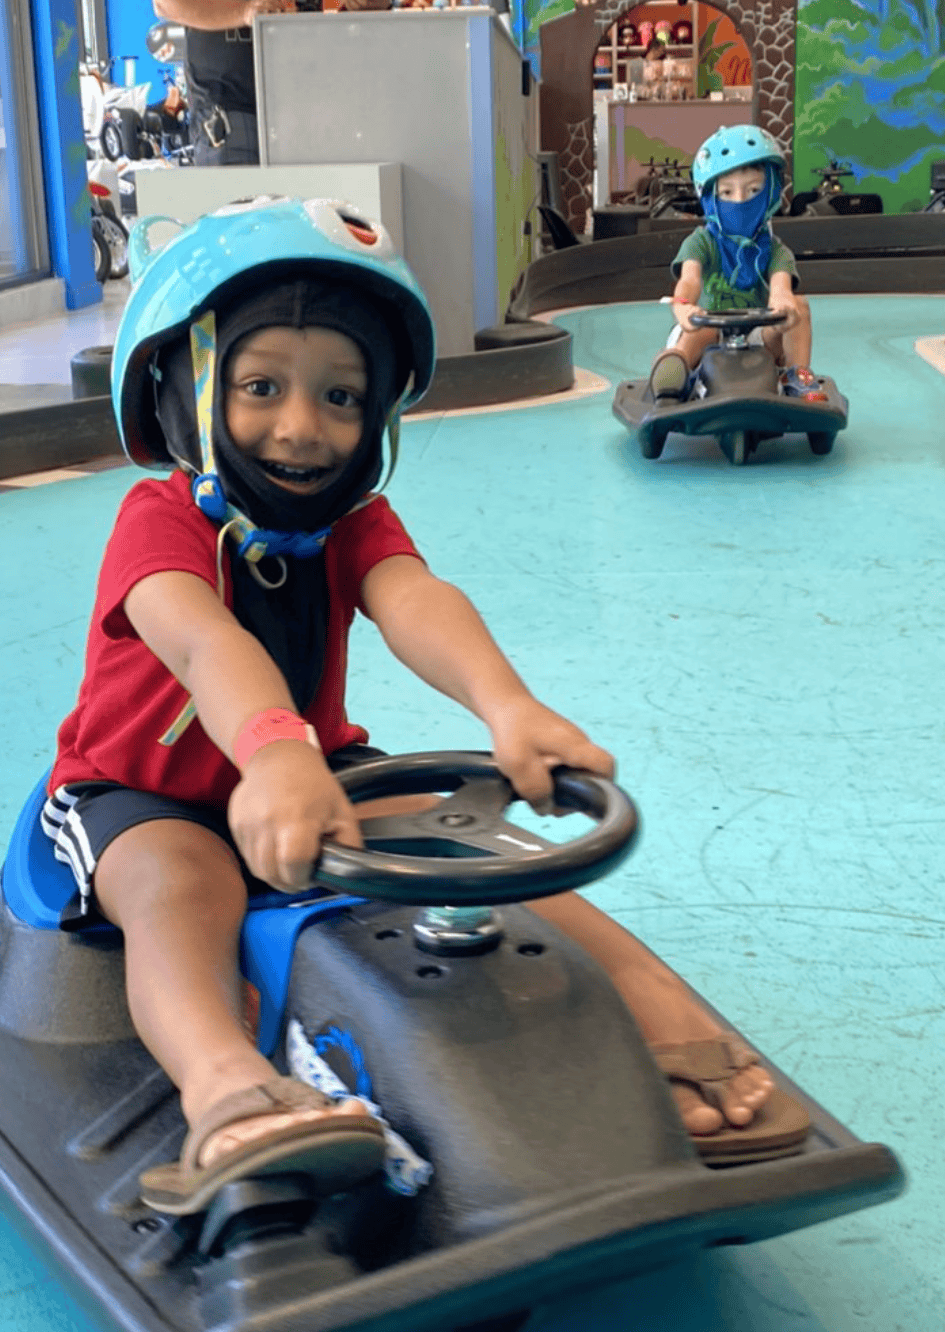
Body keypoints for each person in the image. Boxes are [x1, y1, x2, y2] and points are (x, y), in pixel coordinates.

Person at [42, 196, 806, 1216]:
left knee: (471, 845)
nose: (303, 429)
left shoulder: (352, 520)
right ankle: (225, 1086)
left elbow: (416, 601)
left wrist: (508, 706)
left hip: (316, 768)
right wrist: (273, 748)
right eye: (261, 386)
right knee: (177, 890)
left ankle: (653, 1002)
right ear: (185, 389)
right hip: (141, 791)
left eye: (342, 397)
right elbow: (201, 641)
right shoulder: (157, 523)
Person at [649, 125, 829, 404]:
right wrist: (684, 304)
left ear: (769, 193)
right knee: (700, 332)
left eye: (754, 190)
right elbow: (689, 281)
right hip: (708, 327)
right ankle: (675, 370)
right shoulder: (701, 242)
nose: (741, 201)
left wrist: (783, 306)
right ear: (710, 197)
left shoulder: (776, 250)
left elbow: (781, 288)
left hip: (757, 335)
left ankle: (796, 375)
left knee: (800, 305)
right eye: (727, 193)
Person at [151, 0, 390, 167]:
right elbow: (168, 4)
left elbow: (322, 13)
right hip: (230, 110)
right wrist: (244, 12)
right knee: (243, 227)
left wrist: (363, 6)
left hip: (309, 108)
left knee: (315, 230)